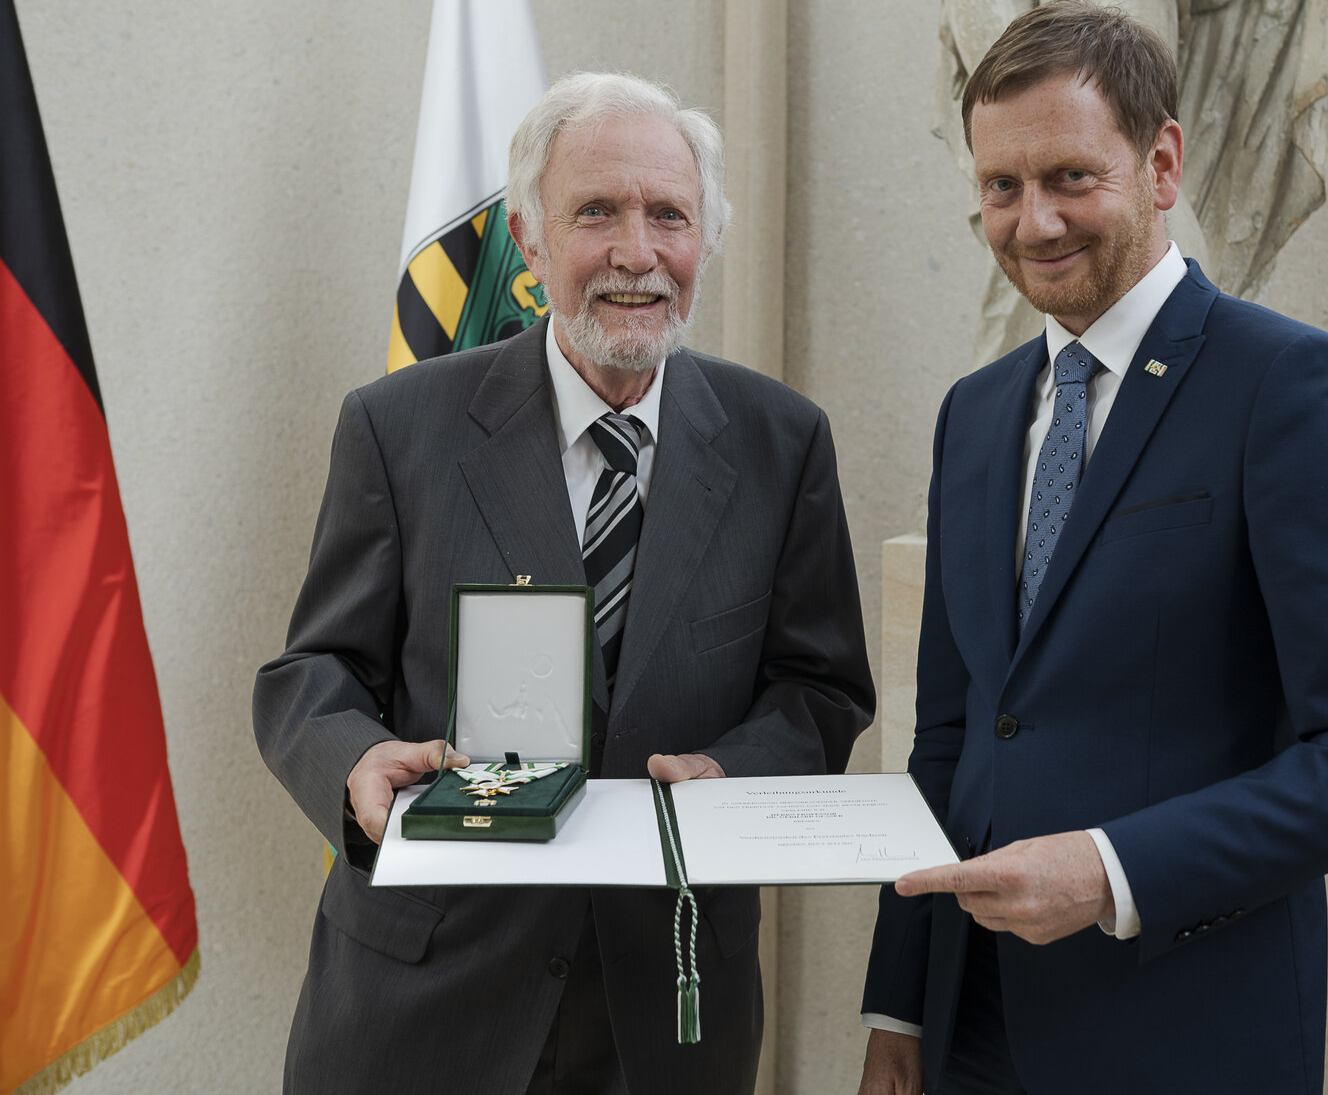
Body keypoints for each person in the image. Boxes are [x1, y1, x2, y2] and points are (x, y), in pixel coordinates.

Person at [858, 0, 1328, 1094]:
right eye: (1000, 186)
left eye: (1069, 177)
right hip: (967, 1034)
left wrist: (1110, 868)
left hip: (1182, 1033)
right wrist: (898, 1007)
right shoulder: (975, 414)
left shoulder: (1287, 388)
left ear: (1161, 161)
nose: (1031, 222)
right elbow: (947, 742)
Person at [254, 70, 874, 1095]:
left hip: (664, 1009)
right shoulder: (398, 426)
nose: (637, 252)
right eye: (596, 212)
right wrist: (355, 761)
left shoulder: (782, 441)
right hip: (423, 1004)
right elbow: (312, 668)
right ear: (529, 240)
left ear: (705, 238)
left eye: (668, 215)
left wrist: (735, 769)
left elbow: (821, 688)